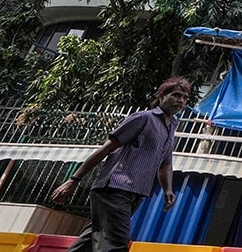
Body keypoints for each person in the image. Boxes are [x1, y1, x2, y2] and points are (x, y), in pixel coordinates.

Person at [50, 77, 191, 252]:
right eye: (176, 95)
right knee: (115, 242)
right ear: (162, 96)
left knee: (90, 242)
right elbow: (107, 148)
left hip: (136, 193)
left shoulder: (171, 127)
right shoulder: (143, 118)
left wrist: (168, 189)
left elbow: (166, 163)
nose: (181, 100)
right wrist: (74, 180)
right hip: (115, 188)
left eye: (184, 98)